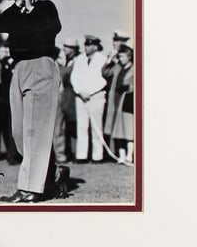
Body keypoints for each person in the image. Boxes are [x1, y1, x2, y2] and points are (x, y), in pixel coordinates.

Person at [0, 0, 66, 203]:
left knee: (34, 131)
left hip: (41, 66)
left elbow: (53, 27)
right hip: (20, 69)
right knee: (20, 133)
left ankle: (28, 190)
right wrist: (20, 7)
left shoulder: (45, 7)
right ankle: (53, 174)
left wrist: (31, 8)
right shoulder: (12, 13)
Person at [70, 34, 109, 163]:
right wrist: (80, 91)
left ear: (96, 47)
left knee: (96, 126)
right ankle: (82, 155)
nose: (86, 47)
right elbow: (74, 77)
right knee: (82, 126)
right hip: (81, 96)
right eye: (86, 44)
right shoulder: (80, 59)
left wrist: (90, 92)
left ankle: (97, 156)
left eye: (90, 45)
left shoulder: (102, 59)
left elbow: (103, 79)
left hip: (96, 96)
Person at [105, 43, 136, 163]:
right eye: (119, 56)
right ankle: (121, 156)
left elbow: (135, 85)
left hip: (128, 101)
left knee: (128, 128)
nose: (120, 59)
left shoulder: (134, 69)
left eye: (122, 56)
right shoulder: (118, 67)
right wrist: (109, 61)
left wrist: (128, 87)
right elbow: (105, 72)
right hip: (117, 101)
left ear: (129, 57)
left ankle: (129, 155)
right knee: (118, 129)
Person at [53, 37, 80, 163]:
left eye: (68, 47)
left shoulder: (78, 61)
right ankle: (61, 155)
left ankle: (76, 152)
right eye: (64, 47)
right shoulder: (61, 63)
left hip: (72, 97)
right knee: (58, 128)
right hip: (61, 97)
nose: (65, 49)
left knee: (73, 126)